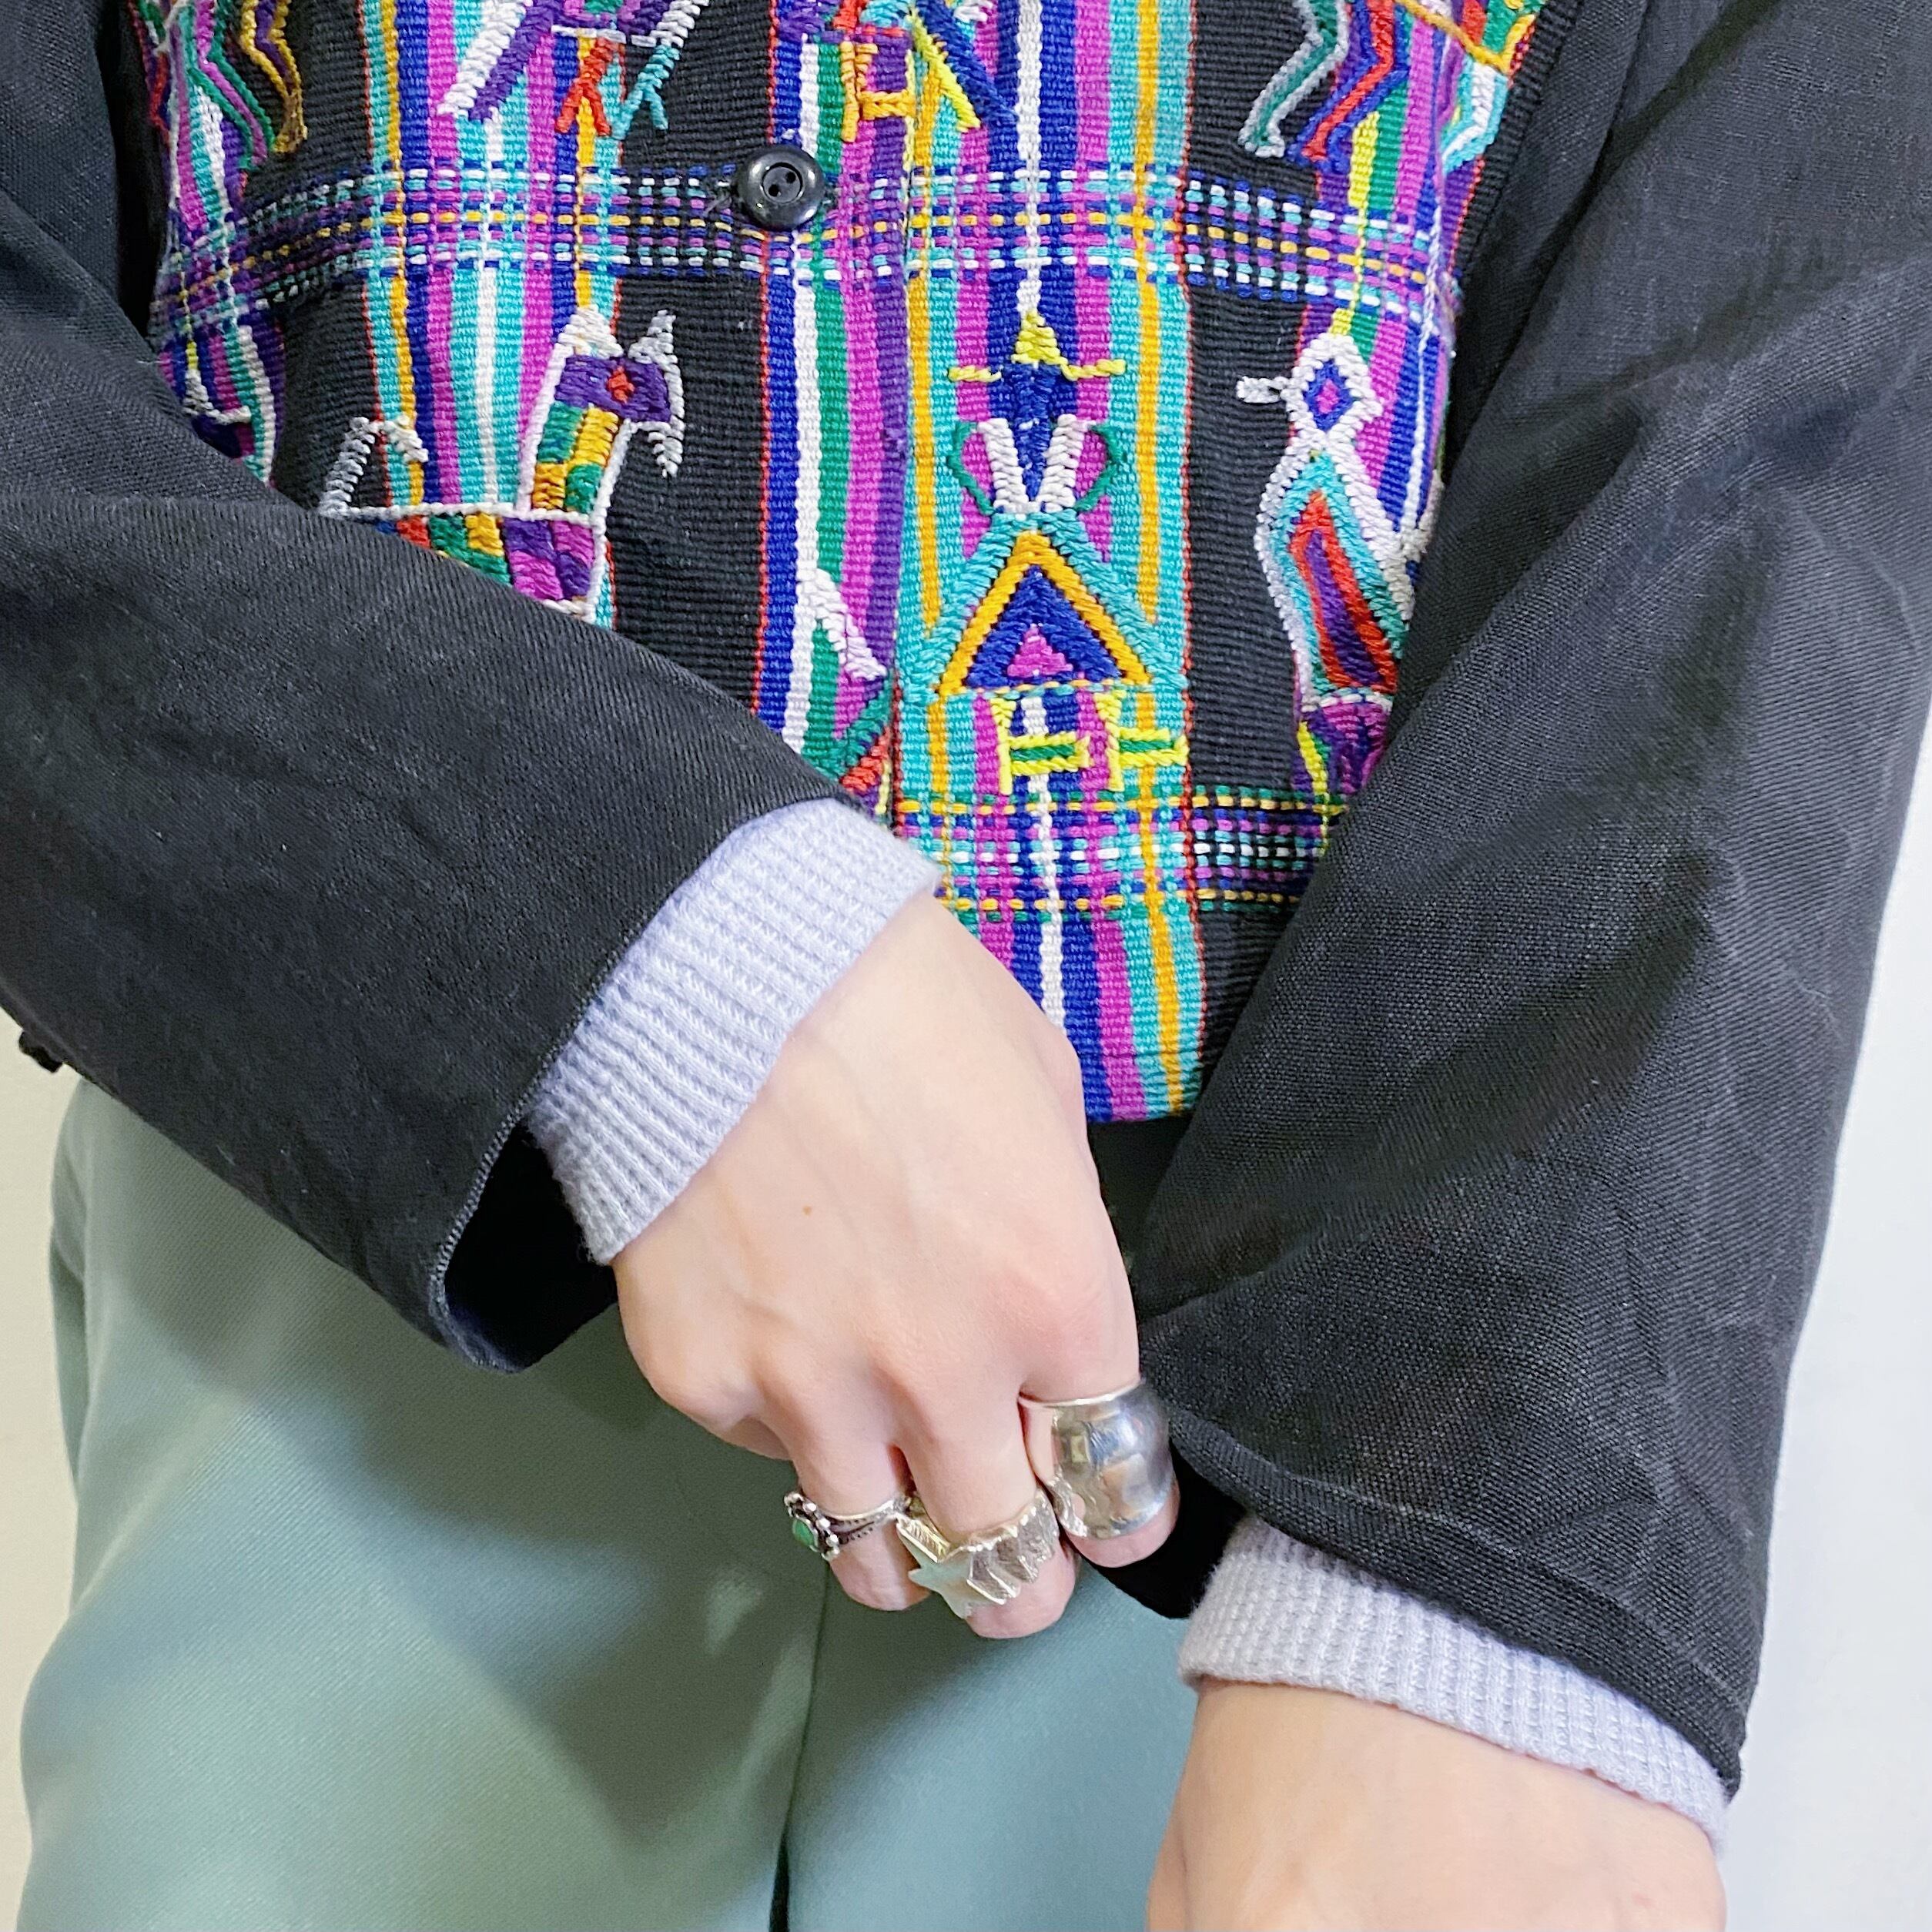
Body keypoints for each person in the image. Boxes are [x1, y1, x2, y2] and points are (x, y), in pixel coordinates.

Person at [2, 0, 1925, 1924]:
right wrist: (645, 956)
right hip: (362, 1195)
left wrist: (1472, 1561)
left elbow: (1768, 265)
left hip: (1349, 1347)